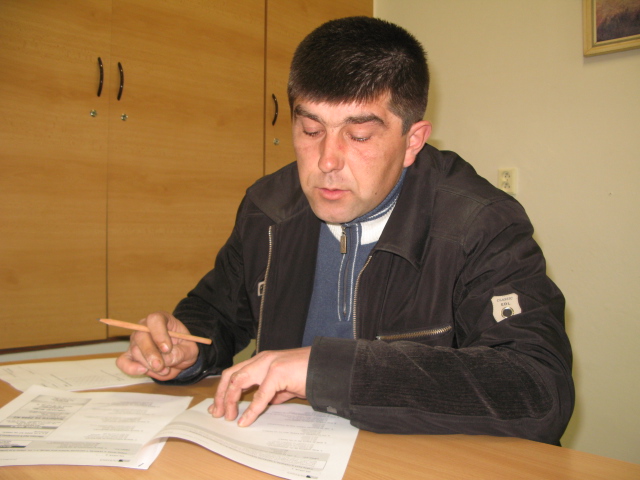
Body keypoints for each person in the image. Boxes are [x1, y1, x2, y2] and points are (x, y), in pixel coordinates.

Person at [116, 16, 574, 445]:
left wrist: (330, 370)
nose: (327, 161)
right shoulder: (268, 208)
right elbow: (217, 310)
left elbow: (538, 389)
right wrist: (185, 345)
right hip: (283, 452)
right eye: (310, 129)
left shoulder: (480, 223)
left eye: (358, 136)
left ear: (413, 140)